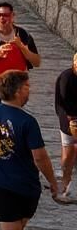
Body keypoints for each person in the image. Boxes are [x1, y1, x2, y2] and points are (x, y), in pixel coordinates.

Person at [0, 70, 63, 228]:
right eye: (27, 86)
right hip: (19, 186)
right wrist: (53, 181)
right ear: (18, 91)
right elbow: (40, 157)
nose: (30, 89)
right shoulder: (27, 122)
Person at [0, 3, 42, 92]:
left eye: (6, 15)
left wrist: (21, 46)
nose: (2, 18)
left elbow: (36, 62)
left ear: (12, 16)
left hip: (18, 86)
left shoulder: (23, 34)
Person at [54, 53, 77, 200]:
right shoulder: (66, 77)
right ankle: (65, 181)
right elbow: (63, 101)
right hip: (69, 119)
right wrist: (71, 117)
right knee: (69, 151)